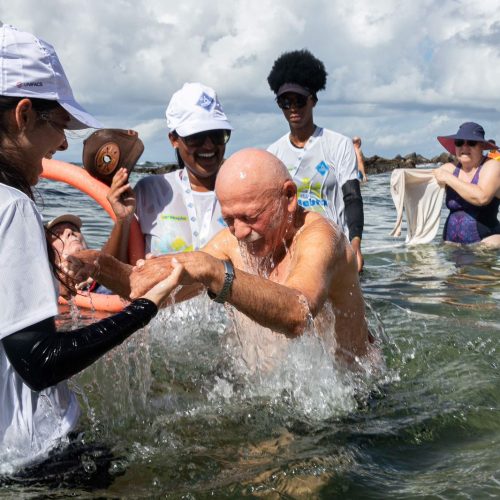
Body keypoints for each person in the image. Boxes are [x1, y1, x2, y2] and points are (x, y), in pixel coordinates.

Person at [0, 23, 182, 477]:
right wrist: (144, 307)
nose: (63, 143)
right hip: (35, 456)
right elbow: (39, 361)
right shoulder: (12, 207)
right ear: (23, 115)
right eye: (59, 124)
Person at [67, 149, 373, 371]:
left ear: (289, 197)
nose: (239, 233)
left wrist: (215, 272)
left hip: (352, 403)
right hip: (272, 393)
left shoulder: (320, 237)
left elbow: (297, 314)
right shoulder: (232, 242)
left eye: (250, 217)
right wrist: (101, 266)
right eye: (228, 219)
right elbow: (146, 288)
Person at [110, 82, 233, 263]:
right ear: (173, 139)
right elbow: (113, 270)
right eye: (196, 137)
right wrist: (123, 220)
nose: (208, 145)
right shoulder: (150, 191)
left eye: (218, 135)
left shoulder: (243, 191)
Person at [266, 49, 365, 272]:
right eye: (285, 101)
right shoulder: (274, 152)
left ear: (313, 101)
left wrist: (356, 244)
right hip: (295, 254)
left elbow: (352, 197)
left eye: (299, 100)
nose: (293, 108)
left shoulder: (338, 144)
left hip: (337, 250)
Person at [434, 122, 500, 246]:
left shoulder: (492, 166)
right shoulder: (450, 168)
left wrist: (449, 178)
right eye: (459, 143)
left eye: (471, 142)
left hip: (485, 248)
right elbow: (423, 180)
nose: (464, 147)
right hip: (451, 247)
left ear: (481, 146)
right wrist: (401, 178)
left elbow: (482, 197)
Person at [45, 213, 113, 295]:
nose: (70, 231)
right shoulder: (44, 286)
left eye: (74, 229)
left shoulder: (107, 273)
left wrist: (97, 275)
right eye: (58, 233)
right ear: (48, 251)